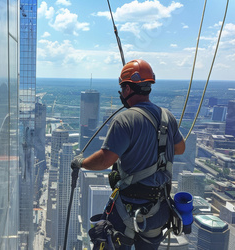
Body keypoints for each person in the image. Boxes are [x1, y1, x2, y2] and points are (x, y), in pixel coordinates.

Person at [71, 59, 186, 249]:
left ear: (127, 89)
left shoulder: (124, 119)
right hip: (158, 210)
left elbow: (105, 160)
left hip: (129, 209)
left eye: (122, 89)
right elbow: (180, 149)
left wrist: (81, 163)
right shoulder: (167, 117)